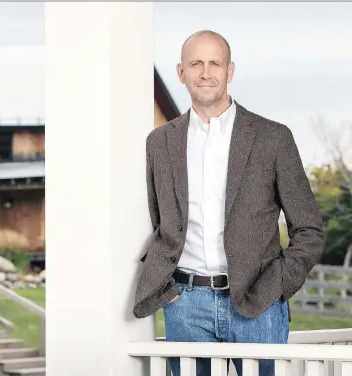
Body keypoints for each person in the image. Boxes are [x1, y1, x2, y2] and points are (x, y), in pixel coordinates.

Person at [132, 30, 325, 376]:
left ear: (230, 71)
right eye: (196, 64)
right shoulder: (159, 142)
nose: (206, 73)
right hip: (185, 305)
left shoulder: (272, 138)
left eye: (214, 63)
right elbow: (160, 220)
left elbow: (309, 230)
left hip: (259, 304)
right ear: (181, 73)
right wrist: (168, 291)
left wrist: (275, 285)